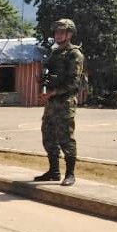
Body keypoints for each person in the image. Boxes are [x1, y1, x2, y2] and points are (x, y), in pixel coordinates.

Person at [34, 18, 85, 186]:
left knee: (66, 138)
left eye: (62, 32)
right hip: (52, 103)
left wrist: (52, 93)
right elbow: (47, 77)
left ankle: (70, 174)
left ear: (70, 34)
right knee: (48, 136)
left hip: (65, 102)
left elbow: (73, 83)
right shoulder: (54, 54)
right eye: (56, 32)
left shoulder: (74, 54)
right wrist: (41, 82)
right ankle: (54, 171)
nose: (58, 35)